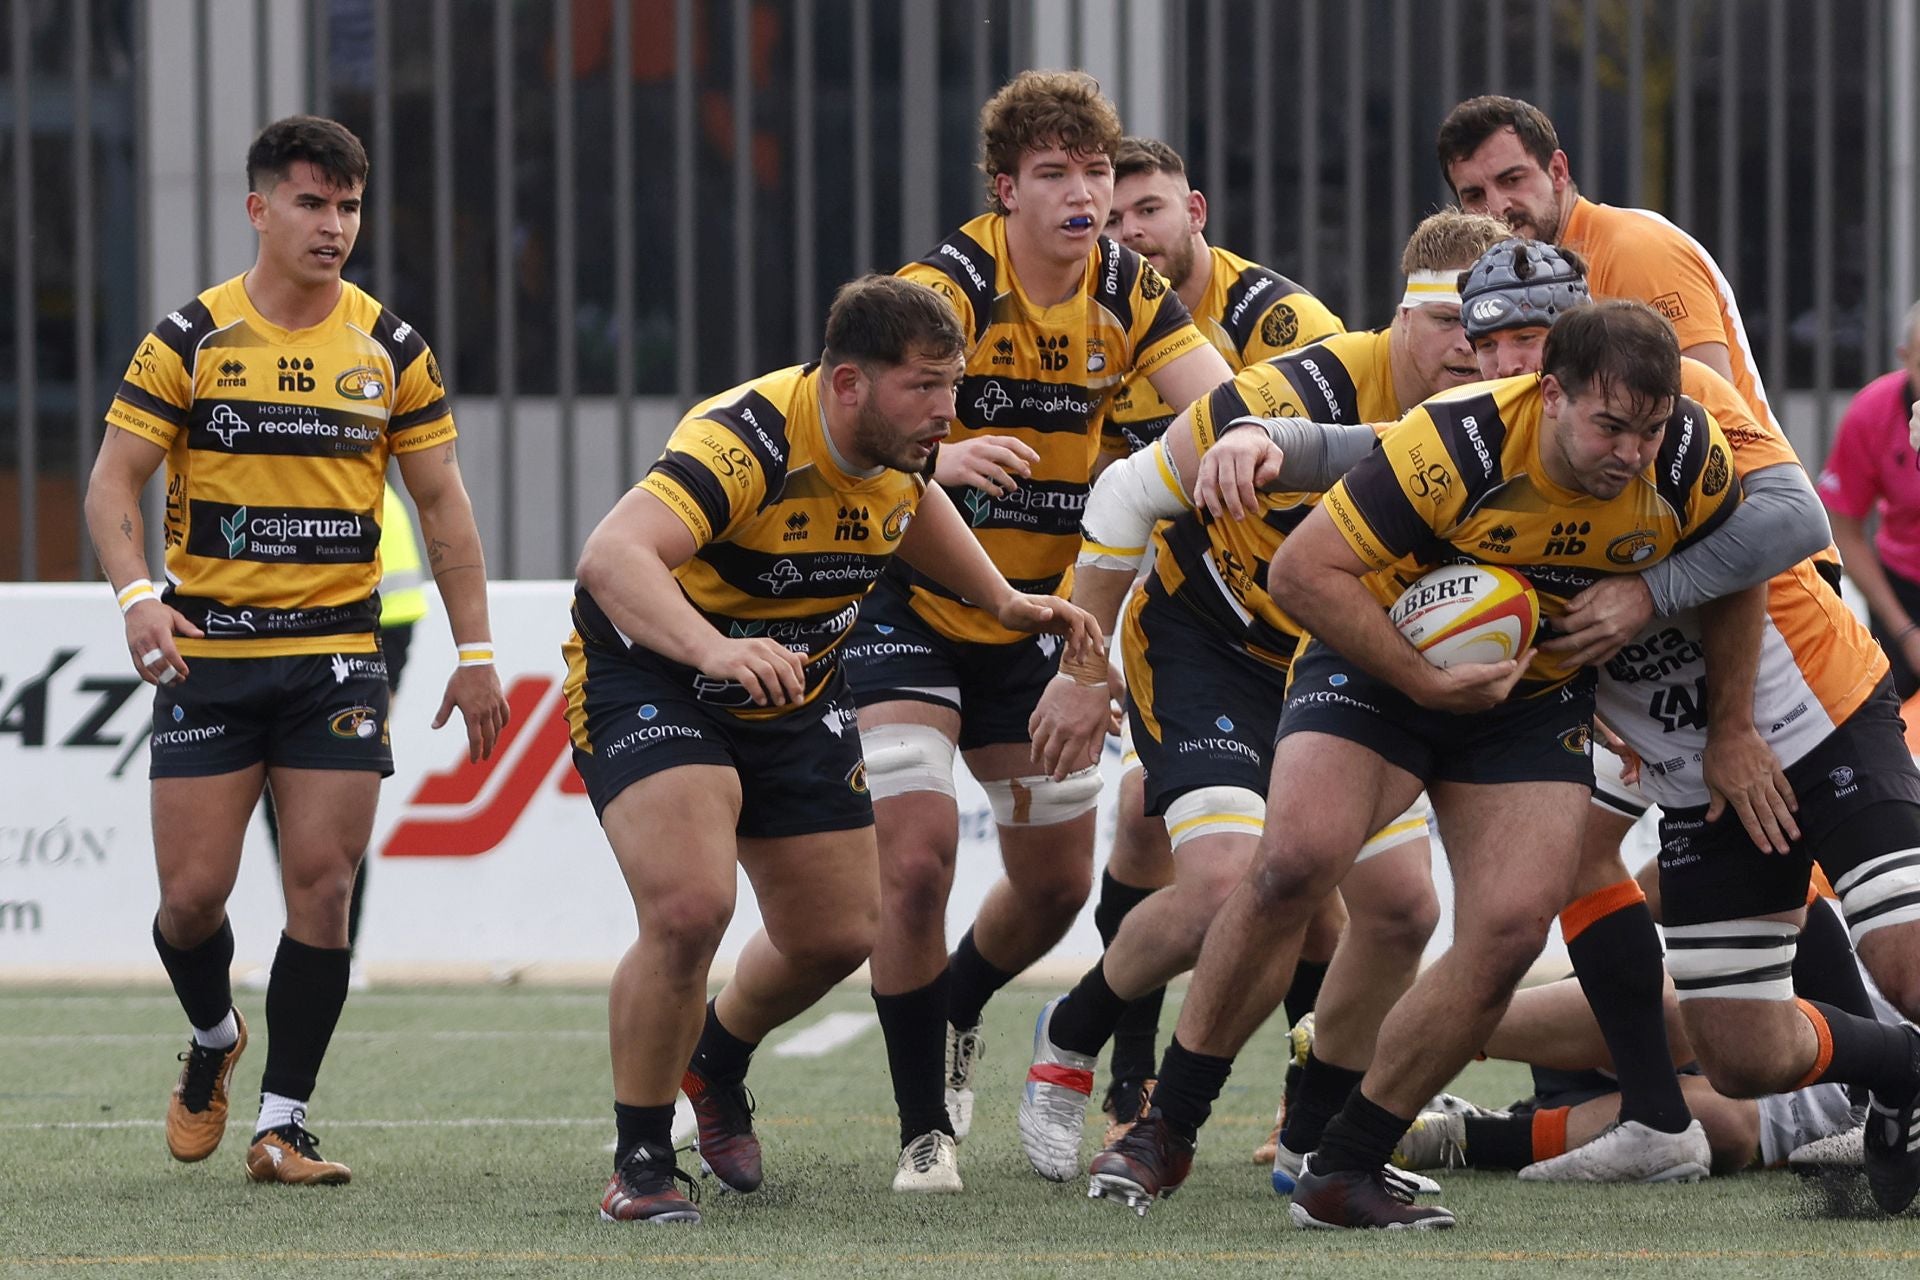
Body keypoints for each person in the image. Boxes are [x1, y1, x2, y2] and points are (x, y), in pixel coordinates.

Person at [1083, 302, 1751, 1229]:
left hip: (1529, 698)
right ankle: (1167, 1128)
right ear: (1551, 396)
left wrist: (1732, 726)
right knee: (1293, 864)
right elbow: (1302, 573)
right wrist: (1423, 680)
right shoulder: (1458, 441)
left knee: (1510, 932)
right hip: (1378, 657)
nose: (1633, 454)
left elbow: (1738, 569)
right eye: (1611, 428)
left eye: (1651, 429)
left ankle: (1344, 1165)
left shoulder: (1688, 460)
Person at [566, 274, 1102, 1223]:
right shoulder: (749, 438)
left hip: (791, 688)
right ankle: (642, 1161)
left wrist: (1003, 601)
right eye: (925, 386)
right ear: (848, 383)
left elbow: (912, 505)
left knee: (839, 932)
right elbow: (612, 557)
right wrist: (714, 649)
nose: (947, 410)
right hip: (654, 673)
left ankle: (712, 1064)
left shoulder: (899, 448)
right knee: (690, 908)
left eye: (954, 384)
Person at [1015, 210, 1511, 1186]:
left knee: (1403, 911)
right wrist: (1080, 668)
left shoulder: (1513, 421)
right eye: (1447, 319)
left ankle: (1309, 1138)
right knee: (1221, 885)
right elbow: (1122, 495)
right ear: (1400, 316)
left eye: (1491, 329)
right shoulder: (1306, 381)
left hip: (1341, 661)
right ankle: (1072, 1030)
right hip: (1209, 644)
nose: (1471, 347)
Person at [83, 115, 509, 1186]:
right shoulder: (189, 339)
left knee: (323, 886)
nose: (334, 226)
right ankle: (216, 1036)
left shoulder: (392, 348)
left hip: (337, 658)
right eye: (312, 203)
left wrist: (477, 650)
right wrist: (136, 598)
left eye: (349, 206)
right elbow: (111, 481)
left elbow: (445, 507)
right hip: (210, 654)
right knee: (191, 900)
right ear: (258, 208)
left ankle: (283, 1124)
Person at [839, 70, 1233, 1191]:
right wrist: (940, 453)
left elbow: (1222, 405)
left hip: (1041, 621)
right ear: (1005, 189)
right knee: (917, 861)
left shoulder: (1127, 287)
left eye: (1096, 171)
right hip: (912, 609)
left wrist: (1260, 442)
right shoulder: (948, 287)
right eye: (1054, 173)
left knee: (1057, 886)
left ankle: (959, 1006)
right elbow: (851, 421)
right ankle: (924, 1128)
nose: (1083, 194)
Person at [1088, 134, 1347, 1137]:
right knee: (1146, 820)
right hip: (1191, 617)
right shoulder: (1091, 320)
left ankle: (1304, 1101)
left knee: (1329, 889)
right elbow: (1101, 485)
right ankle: (1126, 1078)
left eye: (1147, 210)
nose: (1129, 234)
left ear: (1194, 211)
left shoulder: (1286, 326)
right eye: (1110, 220)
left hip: (1309, 629)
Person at [1437, 94, 1775, 431]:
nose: (1497, 207)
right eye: (1474, 195)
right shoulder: (1506, 279)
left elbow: (1708, 418)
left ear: (1557, 171)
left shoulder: (1635, 251)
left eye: (1512, 180)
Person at [256, 484, 428, 986]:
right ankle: (307, 946)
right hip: (307, 660)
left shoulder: (359, 487)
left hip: (358, 658)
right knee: (292, 812)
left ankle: (340, 951)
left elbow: (399, 608)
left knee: (335, 814)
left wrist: (383, 683)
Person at [1818, 301, 1920, 696]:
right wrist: (1906, 632)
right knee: (1880, 701)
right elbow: (1844, 529)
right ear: (1904, 357)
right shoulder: (1871, 413)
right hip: (1902, 586)